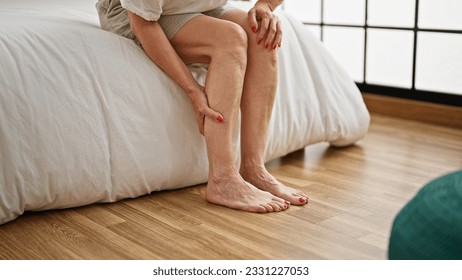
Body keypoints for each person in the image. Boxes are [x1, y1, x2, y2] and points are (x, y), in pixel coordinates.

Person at [96, 0, 309, 213]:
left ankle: (254, 169)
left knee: (261, 35)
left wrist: (266, 6)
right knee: (230, 37)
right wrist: (193, 91)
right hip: (134, 14)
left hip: (195, 6)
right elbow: (142, 23)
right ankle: (222, 178)